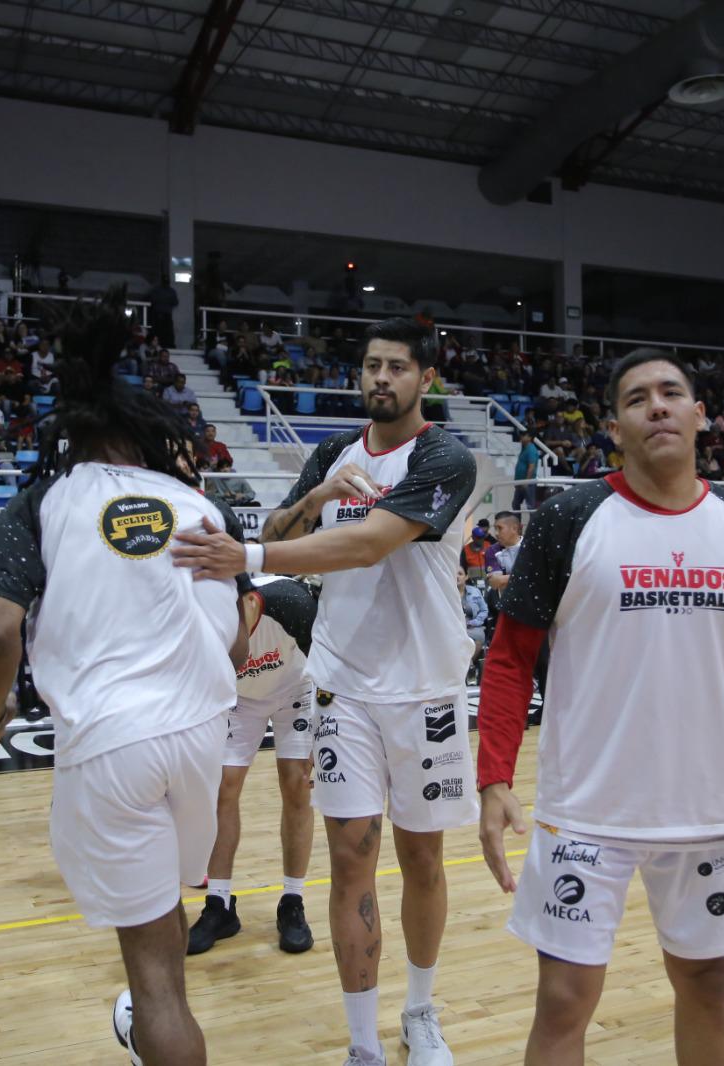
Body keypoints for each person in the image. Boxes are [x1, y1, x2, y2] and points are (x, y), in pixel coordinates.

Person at [474, 349, 724, 1066]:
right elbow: (509, 657)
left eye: (671, 392)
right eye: (637, 398)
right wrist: (494, 776)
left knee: (707, 985)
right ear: (615, 427)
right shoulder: (569, 517)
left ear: (700, 415)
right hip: (587, 810)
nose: (656, 405)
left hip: (704, 807)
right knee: (563, 999)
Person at [171, 317, 478, 1066]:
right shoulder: (333, 452)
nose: (380, 378)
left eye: (397, 367)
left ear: (424, 379)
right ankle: (364, 1043)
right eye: (371, 365)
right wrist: (314, 499)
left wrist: (248, 552)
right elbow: (282, 520)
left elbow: (370, 543)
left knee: (424, 862)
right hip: (341, 686)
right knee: (349, 860)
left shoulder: (444, 455)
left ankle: (420, 1011)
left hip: (427, 688)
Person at [0, 287, 250, 1066]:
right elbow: (234, 633)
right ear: (143, 438)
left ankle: (148, 1026)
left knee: (155, 978)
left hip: (111, 741)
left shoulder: (47, 502)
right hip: (199, 735)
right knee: (163, 950)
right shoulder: (198, 504)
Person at [188, 575, 318, 957]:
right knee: (222, 787)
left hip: (297, 687)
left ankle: (292, 901)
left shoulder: (292, 603)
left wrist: (326, 731)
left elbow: (331, 665)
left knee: (297, 783)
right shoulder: (198, 615)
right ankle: (219, 904)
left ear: (248, 603)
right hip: (240, 700)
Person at [512, 431, 540, 511]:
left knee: (530, 505)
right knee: (515, 504)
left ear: (530, 438)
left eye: (524, 435)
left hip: (527, 482)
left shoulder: (531, 449)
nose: (521, 437)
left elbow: (531, 466)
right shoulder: (524, 448)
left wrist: (526, 481)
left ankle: (533, 523)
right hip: (521, 482)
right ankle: (516, 522)